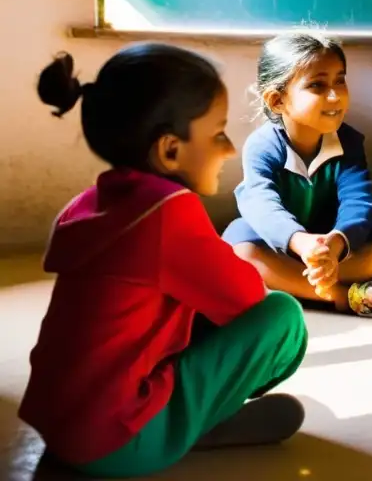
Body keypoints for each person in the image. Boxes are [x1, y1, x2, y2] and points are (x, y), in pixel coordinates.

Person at [20, 44, 308, 478]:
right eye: (217, 134)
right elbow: (250, 298)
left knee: (182, 311)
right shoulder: (168, 211)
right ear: (170, 151)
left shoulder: (94, 202)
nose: (230, 148)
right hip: (116, 444)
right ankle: (188, 426)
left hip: (63, 429)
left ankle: (177, 422)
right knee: (282, 317)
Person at [226, 31, 372, 317]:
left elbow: (358, 202)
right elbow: (260, 205)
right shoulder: (263, 146)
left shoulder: (348, 143)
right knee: (237, 245)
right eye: (317, 85)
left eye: (340, 80)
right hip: (285, 246)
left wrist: (333, 247)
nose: (335, 95)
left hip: (333, 246)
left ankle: (301, 284)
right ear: (277, 101)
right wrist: (301, 243)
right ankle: (344, 296)